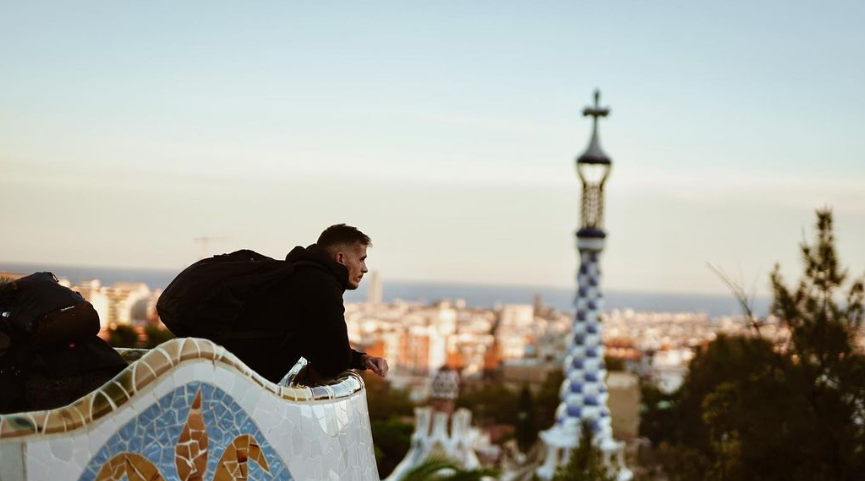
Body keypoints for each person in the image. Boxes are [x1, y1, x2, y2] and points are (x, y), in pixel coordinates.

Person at [226, 224, 388, 383]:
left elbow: (322, 346)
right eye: (361, 259)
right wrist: (303, 382)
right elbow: (337, 360)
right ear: (340, 258)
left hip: (226, 368)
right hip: (234, 382)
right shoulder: (322, 285)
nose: (364, 268)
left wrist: (362, 359)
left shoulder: (302, 273)